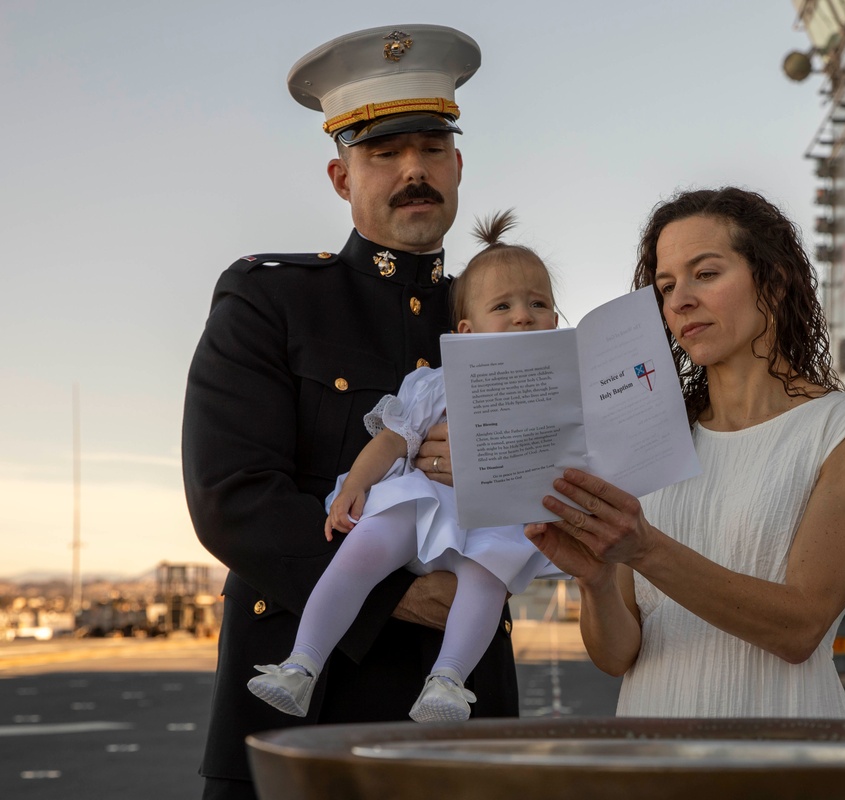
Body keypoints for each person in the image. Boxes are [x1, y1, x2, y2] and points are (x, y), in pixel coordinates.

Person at [182, 26, 519, 800]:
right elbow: (232, 495)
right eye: (383, 154)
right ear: (341, 177)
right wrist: (397, 593)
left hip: (467, 725)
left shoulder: (504, 317)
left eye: (432, 148)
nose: (413, 171)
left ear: (458, 164)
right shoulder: (269, 301)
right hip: (305, 725)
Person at [524, 187, 845, 718]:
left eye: (706, 273)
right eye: (666, 285)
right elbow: (616, 656)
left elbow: (799, 628)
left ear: (773, 279)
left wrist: (645, 549)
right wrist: (597, 581)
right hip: (653, 755)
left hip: (785, 756)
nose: (680, 300)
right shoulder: (649, 437)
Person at [247, 210, 562, 723]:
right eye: (502, 306)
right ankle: (301, 663)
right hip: (423, 504)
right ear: (466, 329)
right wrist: (355, 483)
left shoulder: (559, 396)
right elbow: (395, 440)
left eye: (538, 304)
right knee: (360, 550)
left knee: (486, 580)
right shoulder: (436, 382)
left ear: (554, 320)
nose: (523, 315)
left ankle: (448, 680)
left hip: (491, 520)